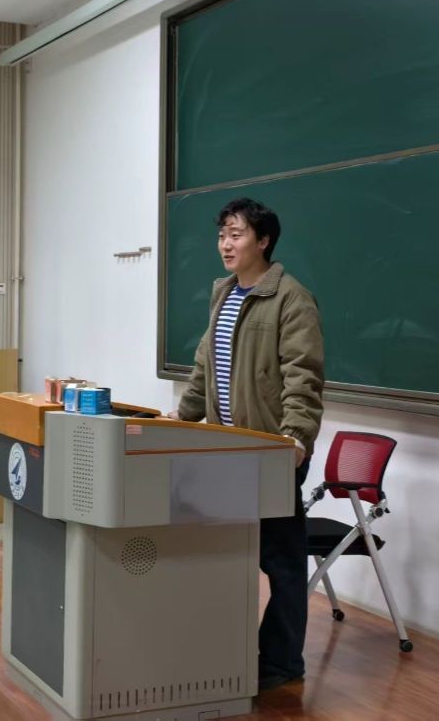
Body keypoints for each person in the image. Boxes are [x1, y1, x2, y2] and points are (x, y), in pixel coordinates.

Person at [170, 197, 324, 691]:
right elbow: (205, 366)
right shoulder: (224, 293)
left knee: (281, 563)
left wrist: (295, 437)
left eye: (236, 235)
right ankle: (227, 651)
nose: (225, 244)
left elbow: (303, 375)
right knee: (228, 554)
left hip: (271, 454)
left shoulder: (290, 298)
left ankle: (282, 662)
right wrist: (182, 418)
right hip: (227, 451)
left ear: (264, 241)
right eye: (222, 235)